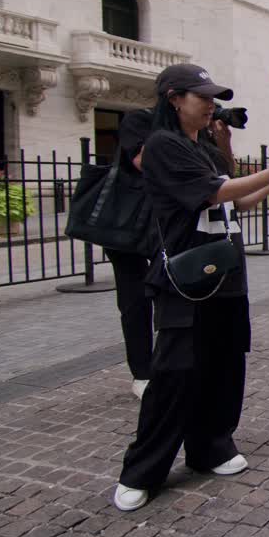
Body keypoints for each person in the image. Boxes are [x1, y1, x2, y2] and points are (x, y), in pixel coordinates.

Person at [113, 64, 269, 512]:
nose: (210, 104)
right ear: (173, 99)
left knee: (225, 364)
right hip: (186, 277)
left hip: (224, 273)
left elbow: (236, 200)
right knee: (174, 374)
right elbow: (211, 194)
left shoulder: (201, 145)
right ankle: (143, 469)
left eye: (212, 96)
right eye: (201, 96)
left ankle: (211, 447)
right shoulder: (162, 145)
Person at [104, 109, 156, 400]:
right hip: (128, 221)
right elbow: (141, 161)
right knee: (135, 298)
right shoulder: (141, 120)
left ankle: (169, 362)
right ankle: (143, 372)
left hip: (164, 218)